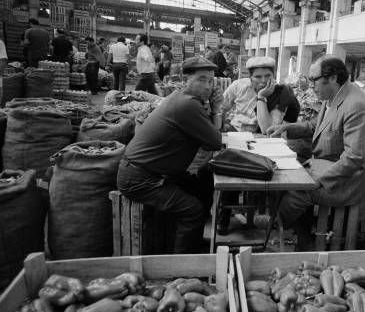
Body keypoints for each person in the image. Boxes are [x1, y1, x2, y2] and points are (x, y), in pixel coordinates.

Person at [116, 57, 224, 253]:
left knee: (204, 185)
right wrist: (217, 110)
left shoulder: (181, 98)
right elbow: (214, 142)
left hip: (153, 173)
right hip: (141, 179)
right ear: (185, 80)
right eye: (201, 80)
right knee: (193, 210)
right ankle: (181, 270)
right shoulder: (187, 104)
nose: (207, 86)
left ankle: (191, 245)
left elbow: (210, 135)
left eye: (211, 81)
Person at [267, 55, 365, 250]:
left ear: (332, 78)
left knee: (297, 190)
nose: (311, 86)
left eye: (313, 80)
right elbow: (317, 125)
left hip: (348, 180)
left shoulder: (356, 105)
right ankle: (300, 236)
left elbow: (354, 158)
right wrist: (287, 127)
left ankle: (279, 223)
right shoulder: (332, 97)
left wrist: (319, 180)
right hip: (326, 166)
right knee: (287, 178)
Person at [217, 56, 300, 235]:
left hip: (269, 143)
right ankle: (223, 218)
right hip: (238, 137)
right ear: (250, 77)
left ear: (273, 75)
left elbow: (267, 128)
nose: (263, 81)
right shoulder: (238, 86)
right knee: (230, 174)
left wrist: (262, 97)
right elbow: (221, 108)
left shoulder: (282, 92)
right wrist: (222, 127)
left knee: (269, 177)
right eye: (258, 77)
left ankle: (269, 218)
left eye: (267, 76)